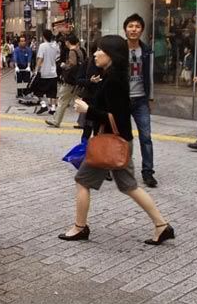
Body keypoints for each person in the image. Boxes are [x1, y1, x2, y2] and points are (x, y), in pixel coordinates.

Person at [59, 35, 174, 246]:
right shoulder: (111, 76)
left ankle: (79, 228)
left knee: (82, 181)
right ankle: (161, 225)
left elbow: (117, 117)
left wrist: (88, 110)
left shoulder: (113, 80)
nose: (94, 53)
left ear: (111, 54)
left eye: (99, 50)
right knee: (129, 186)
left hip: (111, 143)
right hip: (119, 143)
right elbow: (111, 108)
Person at [124, 14, 157, 188]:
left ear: (142, 30)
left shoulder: (146, 50)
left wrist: (150, 97)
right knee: (120, 137)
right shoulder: (119, 49)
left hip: (141, 100)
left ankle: (148, 172)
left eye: (137, 26)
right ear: (125, 29)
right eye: (130, 26)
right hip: (122, 100)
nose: (134, 29)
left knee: (146, 137)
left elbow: (150, 75)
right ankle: (113, 167)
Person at [46, 34, 84, 128]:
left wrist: (64, 65)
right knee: (79, 100)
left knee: (62, 100)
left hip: (70, 80)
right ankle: (82, 122)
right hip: (77, 80)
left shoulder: (72, 51)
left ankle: (56, 121)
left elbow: (72, 64)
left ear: (67, 42)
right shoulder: (80, 51)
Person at [33, 29, 60, 115]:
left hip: (44, 72)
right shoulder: (55, 46)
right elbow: (57, 57)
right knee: (52, 91)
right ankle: (53, 108)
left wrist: (36, 69)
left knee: (37, 89)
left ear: (43, 36)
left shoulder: (42, 46)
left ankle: (43, 105)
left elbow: (40, 58)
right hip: (53, 72)